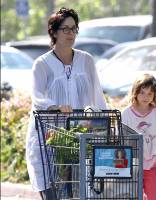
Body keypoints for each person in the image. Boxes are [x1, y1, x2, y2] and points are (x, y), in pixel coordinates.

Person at [26, 7, 106, 199]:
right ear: (53, 32)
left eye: (74, 29)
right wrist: (55, 106)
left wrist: (100, 119)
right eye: (65, 29)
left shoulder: (86, 60)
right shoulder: (42, 63)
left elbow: (97, 95)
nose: (71, 34)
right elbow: (36, 96)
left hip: (80, 135)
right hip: (50, 137)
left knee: (79, 190)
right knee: (52, 189)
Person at [122, 73, 156, 200]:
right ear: (135, 92)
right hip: (131, 167)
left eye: (150, 93)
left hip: (153, 167)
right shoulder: (126, 114)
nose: (146, 97)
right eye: (142, 92)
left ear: (155, 95)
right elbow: (119, 142)